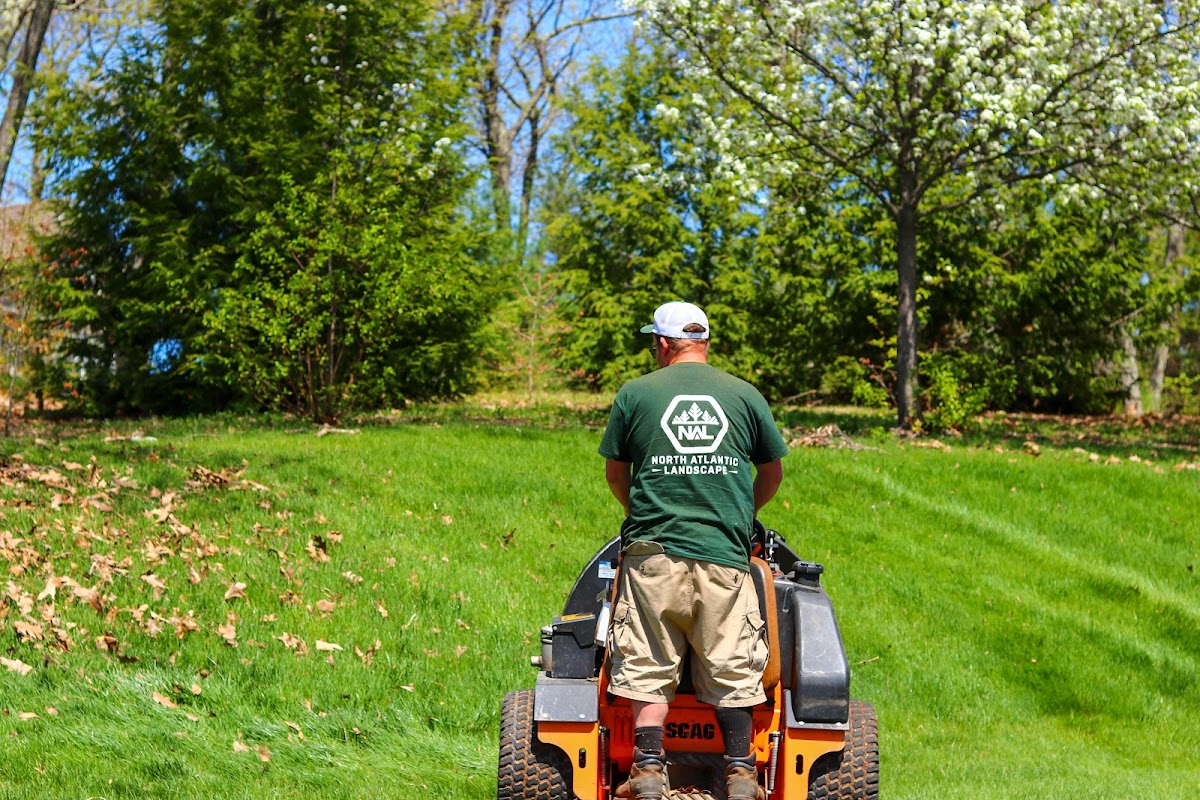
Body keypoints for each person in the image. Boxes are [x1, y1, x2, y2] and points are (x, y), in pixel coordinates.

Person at [598, 301, 788, 800]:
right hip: (725, 557)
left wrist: (640, 515)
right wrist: (742, 518)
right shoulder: (745, 396)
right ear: (704, 341)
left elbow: (617, 475)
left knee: (646, 665)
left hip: (652, 556)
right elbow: (772, 473)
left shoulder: (635, 394)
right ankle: (743, 773)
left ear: (662, 344)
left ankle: (646, 771)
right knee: (732, 666)